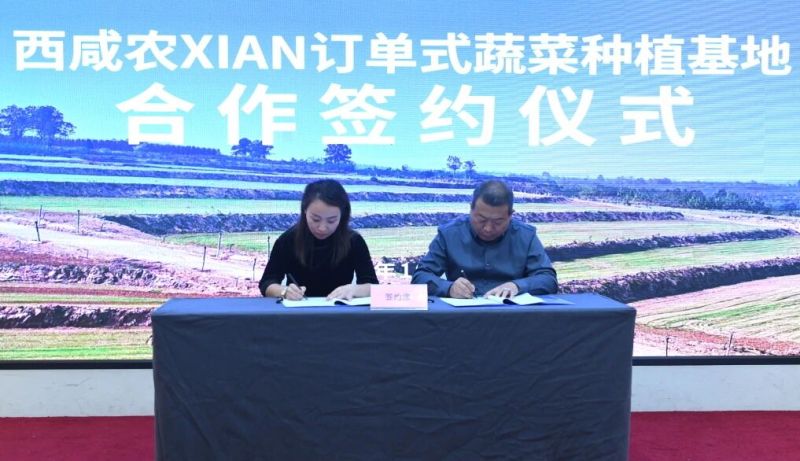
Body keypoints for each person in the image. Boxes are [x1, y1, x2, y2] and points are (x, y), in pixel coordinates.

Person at [411, 179, 557, 298]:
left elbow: (548, 280)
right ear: (471, 209)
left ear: (510, 215)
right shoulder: (449, 234)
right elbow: (420, 277)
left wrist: (517, 286)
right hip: (462, 317)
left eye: (498, 222)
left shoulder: (526, 236)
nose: (488, 228)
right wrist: (449, 288)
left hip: (512, 316)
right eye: (481, 219)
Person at [259, 179, 378, 300]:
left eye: (331, 221)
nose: (322, 228)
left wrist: (354, 289)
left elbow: (373, 286)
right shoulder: (288, 240)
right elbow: (267, 283)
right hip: (298, 308)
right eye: (315, 219)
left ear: (342, 215)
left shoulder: (354, 241)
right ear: (305, 210)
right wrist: (284, 291)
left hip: (339, 308)